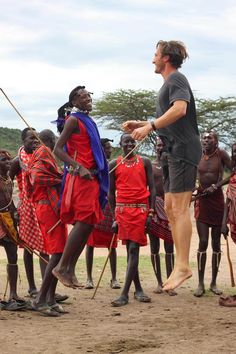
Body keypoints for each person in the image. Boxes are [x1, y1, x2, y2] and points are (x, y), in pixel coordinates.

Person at [123, 40, 202, 291]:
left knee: (179, 208)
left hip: (183, 151)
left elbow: (180, 109)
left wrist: (151, 127)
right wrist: (141, 123)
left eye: (156, 55)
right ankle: (181, 265)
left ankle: (182, 266)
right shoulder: (168, 84)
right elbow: (170, 116)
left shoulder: (177, 79)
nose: (153, 59)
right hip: (171, 152)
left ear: (166, 58)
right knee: (169, 207)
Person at [52, 85, 109, 288]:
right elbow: (57, 149)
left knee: (89, 223)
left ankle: (69, 269)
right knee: (84, 222)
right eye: (83, 97)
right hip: (81, 178)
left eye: (89, 96)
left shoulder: (89, 121)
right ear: (74, 102)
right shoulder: (74, 120)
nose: (87, 99)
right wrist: (77, 166)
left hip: (92, 178)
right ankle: (61, 267)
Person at [109, 133, 155, 307]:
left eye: (132, 141)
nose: (129, 144)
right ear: (120, 144)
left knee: (134, 249)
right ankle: (138, 289)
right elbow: (110, 193)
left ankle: (124, 294)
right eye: (126, 141)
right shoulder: (114, 165)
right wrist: (115, 217)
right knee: (130, 250)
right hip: (122, 212)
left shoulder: (145, 162)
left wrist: (150, 213)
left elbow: (152, 188)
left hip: (141, 210)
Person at [26, 129, 68, 316]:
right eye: (56, 139)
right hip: (47, 207)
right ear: (51, 140)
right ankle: (41, 299)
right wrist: (61, 179)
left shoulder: (47, 154)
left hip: (52, 207)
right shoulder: (43, 152)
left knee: (59, 252)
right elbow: (37, 177)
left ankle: (50, 299)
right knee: (57, 252)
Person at [9, 127, 49, 297]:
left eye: (37, 139)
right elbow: (6, 186)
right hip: (26, 208)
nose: (34, 142)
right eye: (31, 139)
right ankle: (32, 288)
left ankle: (46, 289)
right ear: (23, 141)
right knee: (28, 248)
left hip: (41, 206)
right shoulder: (18, 161)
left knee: (46, 247)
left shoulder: (41, 157)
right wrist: (13, 208)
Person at [194, 131, 231, 297]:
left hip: (217, 203)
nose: (206, 140)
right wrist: (195, 188)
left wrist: (217, 186)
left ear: (216, 141)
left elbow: (233, 172)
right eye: (204, 138)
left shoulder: (221, 154)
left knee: (216, 244)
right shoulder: (198, 155)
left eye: (210, 138)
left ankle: (213, 283)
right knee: (202, 242)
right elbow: (193, 173)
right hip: (202, 201)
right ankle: (200, 284)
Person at [86, 138, 120, 290]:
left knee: (112, 243)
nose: (110, 150)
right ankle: (89, 278)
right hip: (95, 204)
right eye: (107, 148)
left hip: (110, 206)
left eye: (110, 148)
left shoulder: (112, 165)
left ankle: (114, 278)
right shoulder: (94, 164)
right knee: (90, 244)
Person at [148, 137, 176, 296]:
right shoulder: (150, 166)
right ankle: (159, 282)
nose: (160, 148)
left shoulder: (173, 165)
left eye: (163, 146)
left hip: (170, 209)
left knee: (169, 247)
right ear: (155, 148)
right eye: (158, 145)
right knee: (154, 247)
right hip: (153, 208)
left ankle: (170, 282)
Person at [0, 149, 27, 310]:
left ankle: (13, 294)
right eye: (4, 160)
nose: (8, 162)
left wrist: (15, 212)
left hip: (8, 221)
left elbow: (9, 201)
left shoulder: (8, 179)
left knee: (13, 256)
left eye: (9, 160)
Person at [220, 143, 236, 307]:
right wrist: (224, 222)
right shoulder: (233, 173)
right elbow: (228, 199)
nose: (235, 154)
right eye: (234, 152)